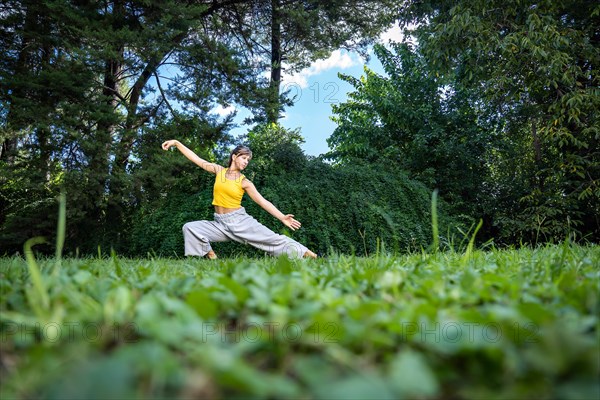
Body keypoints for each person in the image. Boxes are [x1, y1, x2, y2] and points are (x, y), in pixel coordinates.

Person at [161, 140, 317, 259]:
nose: (246, 162)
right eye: (243, 158)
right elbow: (196, 159)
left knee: (273, 240)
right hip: (220, 223)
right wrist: (176, 143)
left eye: (248, 160)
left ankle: (312, 256)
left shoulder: (244, 182)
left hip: (240, 222)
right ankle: (212, 258)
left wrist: (282, 217)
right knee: (190, 228)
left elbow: (262, 202)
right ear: (234, 156)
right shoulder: (219, 171)